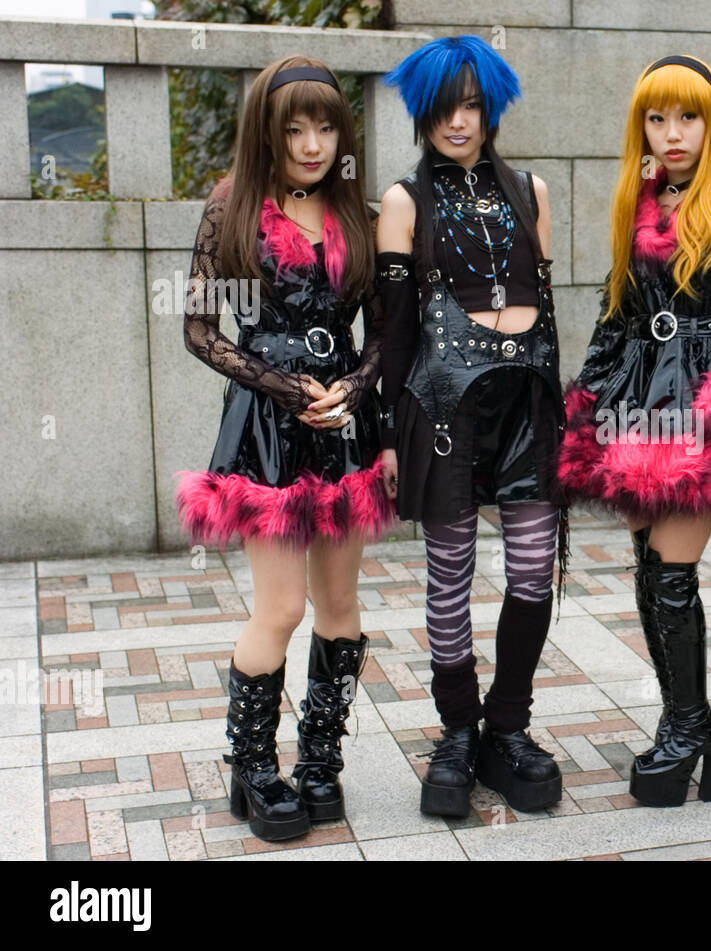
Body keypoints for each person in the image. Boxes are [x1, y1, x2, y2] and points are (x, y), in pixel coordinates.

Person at [558, 55, 711, 807]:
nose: (671, 134)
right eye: (657, 119)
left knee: (672, 571)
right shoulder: (639, 200)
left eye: (687, 117)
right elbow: (617, 312)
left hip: (702, 402)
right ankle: (684, 721)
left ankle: (690, 726)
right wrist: (585, 407)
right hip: (638, 398)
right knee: (647, 565)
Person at [175, 56, 392, 841]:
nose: (311, 142)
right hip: (268, 431)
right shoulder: (231, 206)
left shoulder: (357, 212)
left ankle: (319, 766)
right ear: (268, 129)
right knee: (283, 605)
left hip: (342, 430)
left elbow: (387, 334)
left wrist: (356, 389)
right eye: (294, 126)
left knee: (339, 606)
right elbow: (201, 330)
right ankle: (254, 769)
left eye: (325, 125)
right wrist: (283, 385)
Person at [377, 36, 565, 818]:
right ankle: (457, 729)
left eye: (474, 105)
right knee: (448, 570)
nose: (460, 121)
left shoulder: (531, 189)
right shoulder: (401, 200)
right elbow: (392, 330)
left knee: (531, 568)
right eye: (446, 107)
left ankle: (507, 724)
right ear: (423, 112)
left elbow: (548, 303)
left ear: (491, 109)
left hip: (525, 400)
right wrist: (388, 434)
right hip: (442, 402)